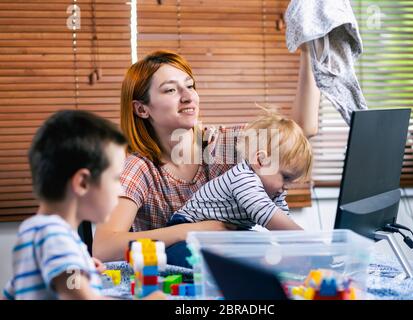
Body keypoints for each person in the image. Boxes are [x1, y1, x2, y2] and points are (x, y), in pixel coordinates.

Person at [93, 44, 320, 267]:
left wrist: (310, 49)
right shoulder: (139, 168)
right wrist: (190, 231)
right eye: (171, 90)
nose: (187, 96)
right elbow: (104, 248)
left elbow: (299, 130)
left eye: (190, 86)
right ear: (142, 109)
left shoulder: (226, 144)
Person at [2, 110, 165, 300]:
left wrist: (81, 268)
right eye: (115, 179)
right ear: (82, 183)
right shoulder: (55, 236)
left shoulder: (34, 232)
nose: (121, 190)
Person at [167, 107, 312, 230]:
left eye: (291, 181)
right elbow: (266, 213)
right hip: (188, 225)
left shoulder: (275, 191)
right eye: (285, 177)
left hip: (225, 231)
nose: (287, 187)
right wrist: (304, 239)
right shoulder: (243, 177)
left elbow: (284, 221)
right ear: (260, 161)